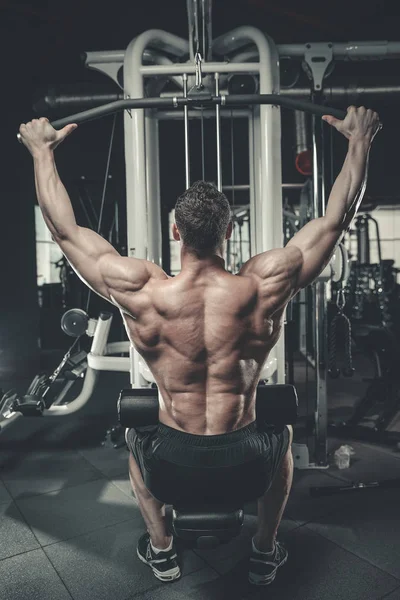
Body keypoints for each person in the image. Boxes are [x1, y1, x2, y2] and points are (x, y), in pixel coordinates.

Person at [19, 105, 380, 586]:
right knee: (286, 439)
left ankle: (163, 551)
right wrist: (360, 143)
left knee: (134, 439)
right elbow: (336, 223)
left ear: (175, 232)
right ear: (229, 233)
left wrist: (42, 153)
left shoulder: (140, 290)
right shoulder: (263, 285)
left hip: (171, 466)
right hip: (249, 464)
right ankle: (264, 551)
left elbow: (63, 230)